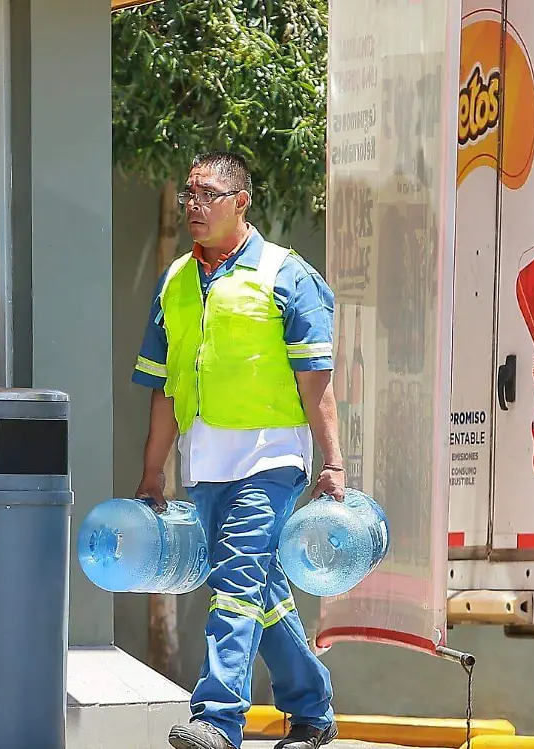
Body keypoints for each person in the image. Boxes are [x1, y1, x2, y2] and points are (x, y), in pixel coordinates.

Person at [132, 152, 343, 749]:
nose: (193, 205)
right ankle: (311, 709)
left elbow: (316, 382)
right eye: (189, 194)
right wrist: (152, 473)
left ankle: (218, 718)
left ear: (240, 202)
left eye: (207, 194)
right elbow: (163, 387)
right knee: (261, 590)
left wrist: (332, 462)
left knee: (237, 583)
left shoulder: (287, 275)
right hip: (205, 465)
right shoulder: (175, 282)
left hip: (269, 460)